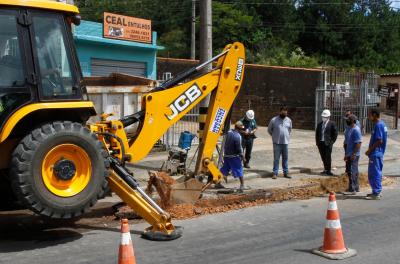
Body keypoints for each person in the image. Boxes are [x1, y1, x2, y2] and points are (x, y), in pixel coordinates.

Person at [365, 108, 388, 200]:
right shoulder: (382, 124)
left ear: (374, 115)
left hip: (376, 153)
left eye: (369, 115)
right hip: (377, 153)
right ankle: (375, 191)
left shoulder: (378, 125)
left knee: (375, 173)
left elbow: (379, 140)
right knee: (374, 173)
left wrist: (369, 150)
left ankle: (377, 192)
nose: (368, 117)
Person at [219, 121, 246, 192]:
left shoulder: (229, 132)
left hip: (226, 155)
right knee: (239, 169)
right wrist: (243, 157)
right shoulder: (238, 136)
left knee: (224, 170)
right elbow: (239, 148)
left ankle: (217, 183)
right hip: (234, 157)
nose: (242, 130)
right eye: (241, 129)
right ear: (239, 129)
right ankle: (242, 185)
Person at [268, 105, 292, 179]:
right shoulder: (274, 120)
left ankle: (286, 172)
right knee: (276, 158)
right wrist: (274, 136)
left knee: (285, 158)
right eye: (283, 112)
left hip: (285, 143)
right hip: (277, 143)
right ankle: (275, 173)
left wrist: (286, 136)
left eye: (286, 112)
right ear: (280, 112)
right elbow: (269, 130)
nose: (284, 113)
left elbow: (289, 130)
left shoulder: (289, 120)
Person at [315, 109, 338, 176]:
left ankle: (328, 170)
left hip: (328, 143)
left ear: (328, 117)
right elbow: (317, 134)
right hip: (321, 143)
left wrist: (332, 142)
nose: (323, 118)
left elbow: (335, 133)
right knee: (323, 157)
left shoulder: (332, 124)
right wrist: (317, 143)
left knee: (328, 157)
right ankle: (325, 169)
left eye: (325, 117)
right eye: (323, 116)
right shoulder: (319, 124)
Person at [344, 115, 362, 195]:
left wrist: (354, 154)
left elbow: (358, 143)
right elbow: (348, 143)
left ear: (352, 121)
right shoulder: (350, 129)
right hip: (349, 153)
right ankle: (354, 187)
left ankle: (354, 188)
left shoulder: (356, 130)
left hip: (354, 155)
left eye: (348, 120)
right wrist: (346, 154)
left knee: (353, 171)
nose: (347, 121)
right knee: (350, 171)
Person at [343, 109, 360, 176]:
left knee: (353, 164)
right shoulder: (347, 123)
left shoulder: (356, 125)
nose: (346, 117)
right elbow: (346, 133)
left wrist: (354, 153)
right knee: (348, 161)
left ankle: (354, 177)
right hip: (347, 144)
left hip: (352, 147)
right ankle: (347, 173)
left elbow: (358, 141)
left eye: (348, 115)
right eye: (346, 115)